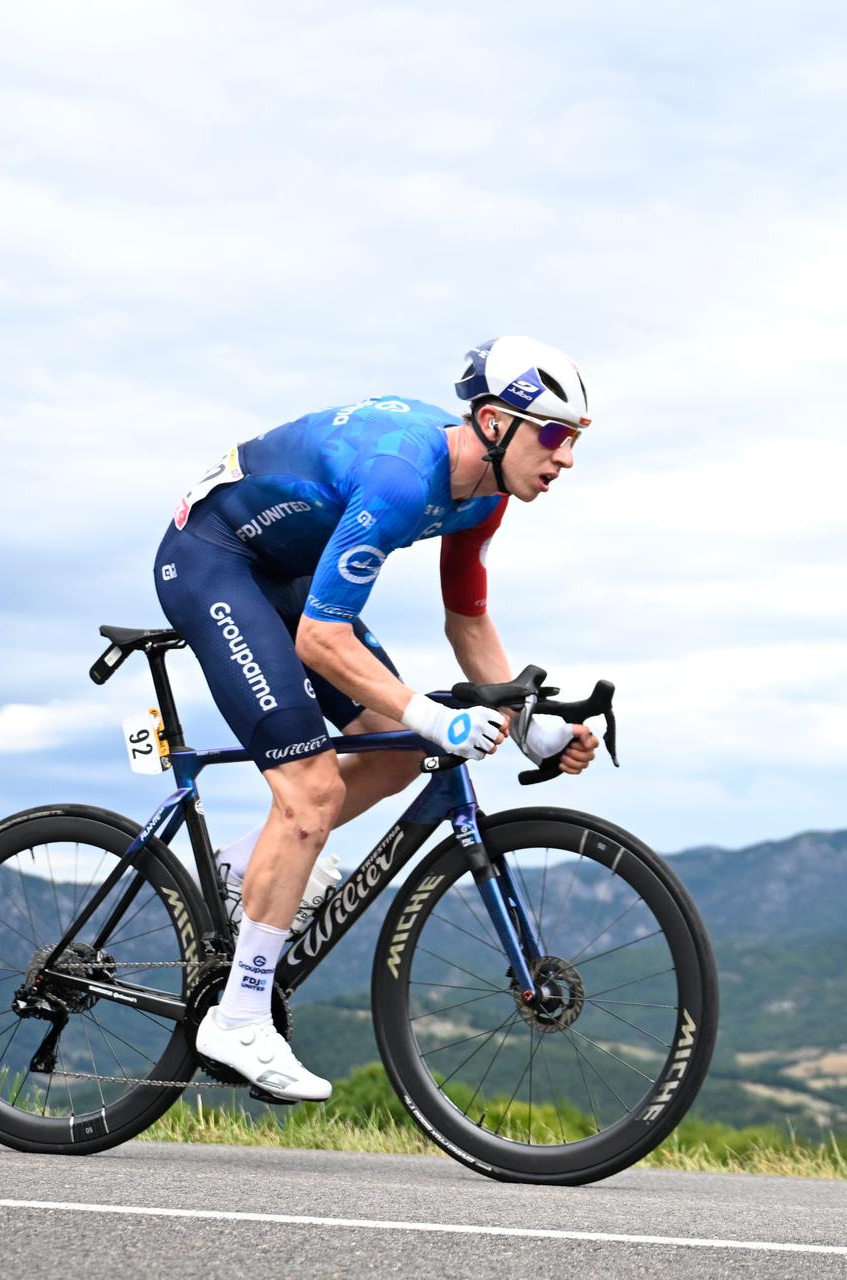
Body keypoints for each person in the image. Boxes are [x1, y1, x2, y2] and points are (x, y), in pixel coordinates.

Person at [151, 336, 601, 1101]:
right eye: (553, 435)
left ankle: (241, 866)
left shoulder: (484, 495)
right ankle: (238, 1019)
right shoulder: (401, 479)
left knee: (395, 755)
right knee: (313, 792)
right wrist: (432, 714)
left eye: (576, 442)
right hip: (213, 560)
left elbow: (468, 625)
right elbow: (320, 640)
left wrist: (531, 726)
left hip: (287, 575)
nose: (564, 459)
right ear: (494, 423)